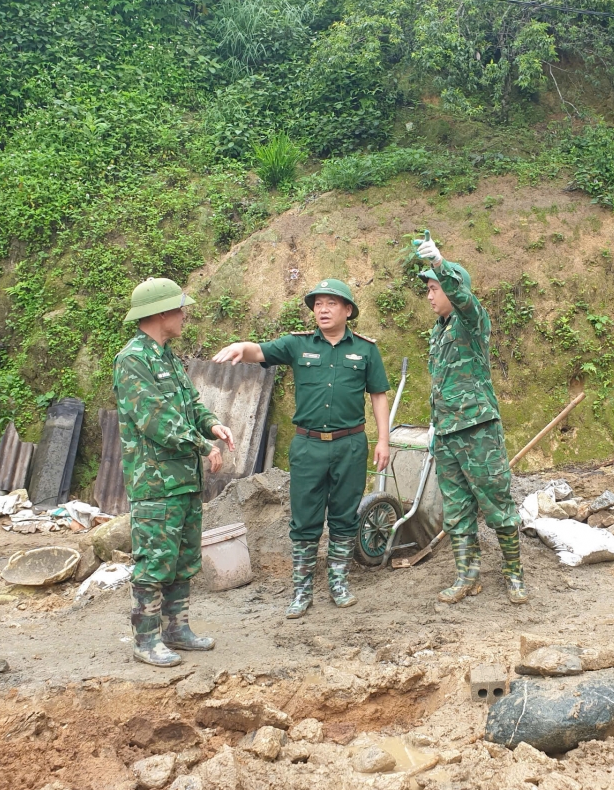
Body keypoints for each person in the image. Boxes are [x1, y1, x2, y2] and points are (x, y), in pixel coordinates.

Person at [213, 279, 390, 618]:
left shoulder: (366, 350)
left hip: (350, 445)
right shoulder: (298, 346)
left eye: (331, 303)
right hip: (308, 446)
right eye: (318, 304)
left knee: (343, 516)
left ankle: (338, 583)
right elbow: (260, 351)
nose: (322, 309)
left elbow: (378, 395)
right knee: (305, 518)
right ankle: (302, 590)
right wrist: (241, 347)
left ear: (347, 310)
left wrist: (382, 440)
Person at [114, 277, 236, 667]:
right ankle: (145, 639)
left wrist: (212, 425)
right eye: (180, 308)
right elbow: (155, 419)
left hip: (182, 480)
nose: (184, 315)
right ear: (161, 312)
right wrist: (203, 446)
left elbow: (189, 404)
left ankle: (176, 628)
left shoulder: (166, 356)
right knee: (154, 561)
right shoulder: (132, 359)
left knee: (182, 558)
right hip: (155, 483)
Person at [415, 234, 528, 605]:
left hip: (477, 430)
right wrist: (434, 426)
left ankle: (514, 575)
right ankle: (467, 576)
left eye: (434, 288)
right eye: (427, 289)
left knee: (497, 503)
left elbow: (465, 300)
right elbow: (442, 384)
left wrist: (440, 266)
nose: (430, 295)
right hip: (447, 433)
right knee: (457, 509)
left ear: (452, 287)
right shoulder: (438, 332)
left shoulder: (471, 322)